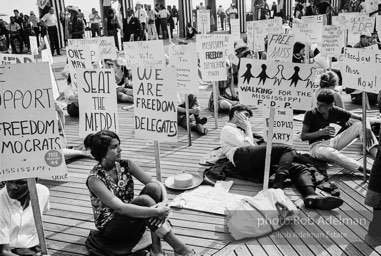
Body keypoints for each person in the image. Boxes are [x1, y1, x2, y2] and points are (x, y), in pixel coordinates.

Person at [84, 130, 202, 256]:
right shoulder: (94, 179)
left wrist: (164, 201)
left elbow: (156, 183)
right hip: (111, 229)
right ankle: (180, 249)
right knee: (145, 201)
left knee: (153, 189)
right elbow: (121, 208)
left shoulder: (126, 164)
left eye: (119, 145)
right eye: (114, 147)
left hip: (133, 220)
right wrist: (156, 211)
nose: (120, 149)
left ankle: (157, 249)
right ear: (102, 152)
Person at [220, 104, 343, 210]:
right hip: (241, 157)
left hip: (251, 159)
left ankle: (311, 195)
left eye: (248, 117)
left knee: (297, 167)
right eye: (245, 115)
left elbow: (251, 146)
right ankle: (278, 184)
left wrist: (246, 130)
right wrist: (248, 128)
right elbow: (247, 145)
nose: (247, 119)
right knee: (287, 148)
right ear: (236, 113)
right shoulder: (228, 129)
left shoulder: (240, 130)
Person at [301, 89, 379, 174]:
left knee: (359, 125)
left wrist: (368, 128)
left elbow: (362, 117)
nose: (318, 107)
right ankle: (366, 170)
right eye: (317, 104)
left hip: (331, 142)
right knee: (331, 153)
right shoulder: (310, 113)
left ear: (330, 105)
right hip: (316, 147)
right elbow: (303, 136)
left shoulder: (335, 110)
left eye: (322, 105)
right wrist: (321, 132)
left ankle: (377, 158)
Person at [0, 179, 50, 256]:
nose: (13, 187)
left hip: (33, 248)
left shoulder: (42, 192)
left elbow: (44, 210)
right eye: (9, 181)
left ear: (34, 180)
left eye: (20, 183)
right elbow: (3, 252)